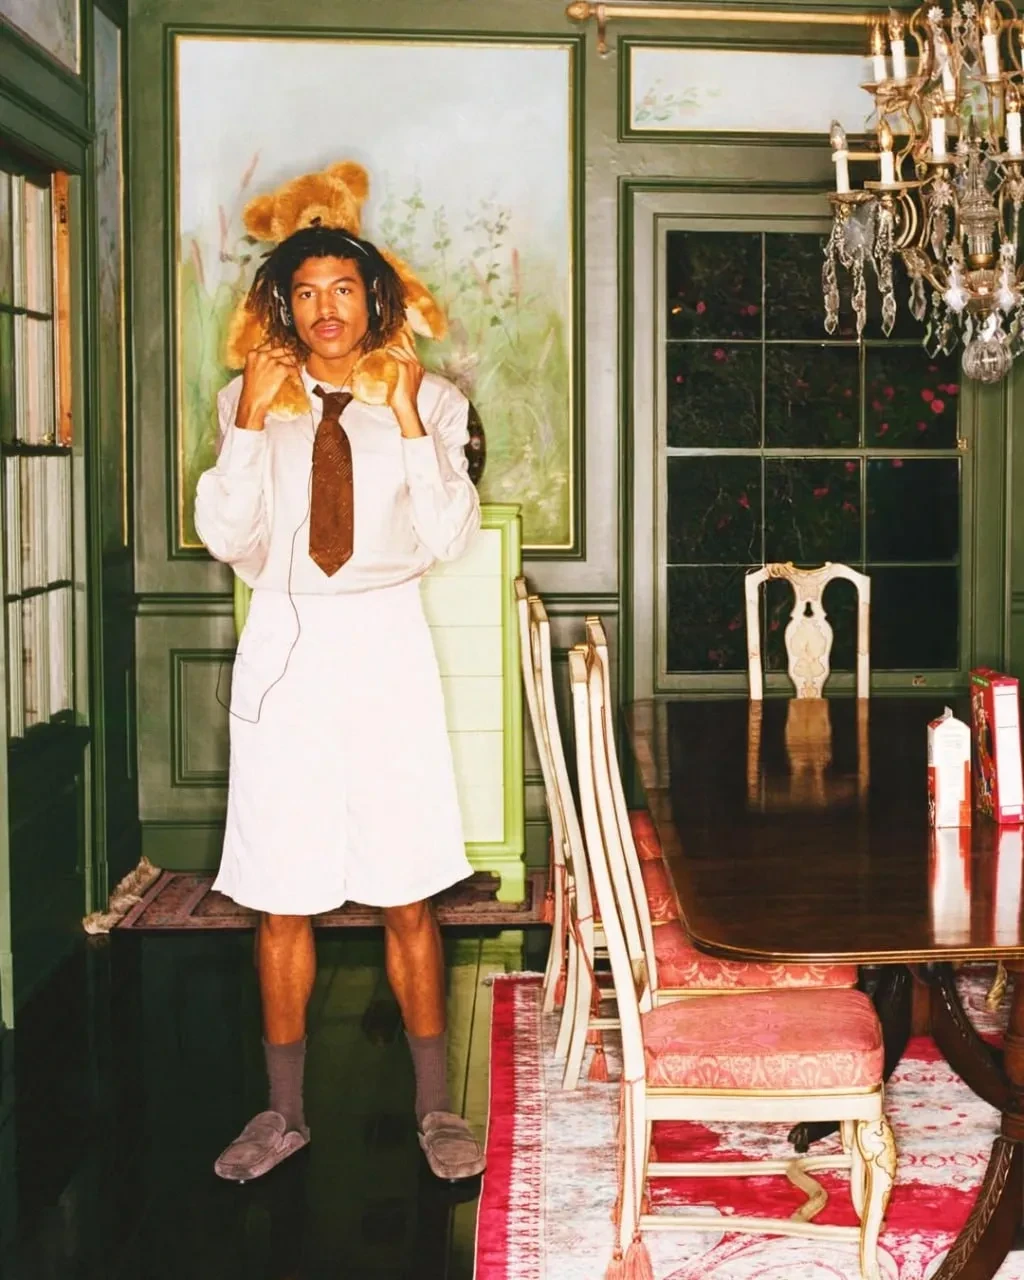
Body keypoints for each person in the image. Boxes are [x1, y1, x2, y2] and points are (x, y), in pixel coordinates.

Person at [194, 223, 486, 1183]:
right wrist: (248, 421)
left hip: (386, 642)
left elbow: (449, 534)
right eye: (308, 291)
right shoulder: (248, 399)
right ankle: (282, 1114)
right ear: (286, 305)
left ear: (374, 299)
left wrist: (403, 415)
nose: (327, 308)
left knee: (407, 889)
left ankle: (436, 1106)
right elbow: (226, 535)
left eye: (344, 289)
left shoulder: (430, 400)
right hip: (284, 645)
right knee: (282, 894)